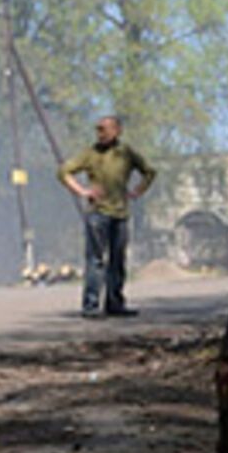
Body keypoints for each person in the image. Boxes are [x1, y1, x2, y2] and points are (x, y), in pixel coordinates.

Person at [58, 116, 156, 318]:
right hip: (98, 214)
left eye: (104, 129)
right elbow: (64, 172)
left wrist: (137, 191)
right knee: (95, 260)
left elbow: (150, 171)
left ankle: (115, 303)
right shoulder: (90, 153)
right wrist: (82, 191)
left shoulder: (126, 153)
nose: (100, 134)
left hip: (120, 214)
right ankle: (91, 305)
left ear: (117, 130)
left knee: (117, 260)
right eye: (98, 129)